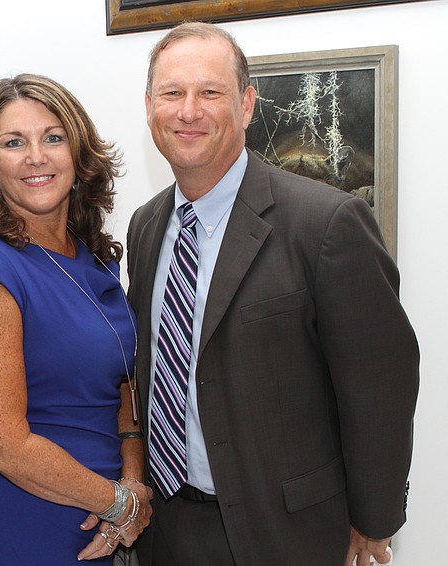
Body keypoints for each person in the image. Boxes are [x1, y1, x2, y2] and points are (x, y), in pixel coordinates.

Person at [126, 22, 419, 566]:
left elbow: (381, 384)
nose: (188, 111)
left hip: (285, 536)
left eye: (210, 92)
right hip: (166, 530)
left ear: (247, 103)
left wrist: (372, 521)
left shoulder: (327, 223)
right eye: (172, 93)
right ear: (149, 107)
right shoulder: (146, 227)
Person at [0, 73, 152, 565]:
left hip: (101, 520)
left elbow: (120, 382)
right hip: (18, 525)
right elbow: (2, 445)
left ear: (78, 153)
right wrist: (119, 503)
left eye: (53, 137)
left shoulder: (93, 260)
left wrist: (133, 479)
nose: (36, 156)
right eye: (15, 142)